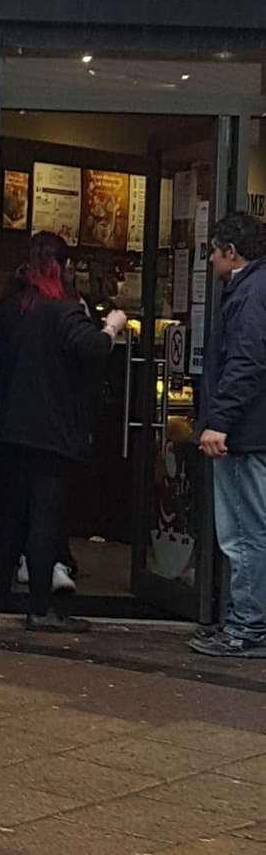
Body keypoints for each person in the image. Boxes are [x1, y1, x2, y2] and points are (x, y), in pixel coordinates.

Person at [0, 232, 125, 634]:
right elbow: (94, 350)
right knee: (45, 519)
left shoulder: (11, 307)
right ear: (61, 267)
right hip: (51, 433)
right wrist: (112, 327)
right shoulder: (63, 310)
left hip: (12, 428)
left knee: (12, 516)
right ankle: (39, 607)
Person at [195, 211, 266, 659]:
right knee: (250, 529)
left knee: (243, 532)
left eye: (213, 252)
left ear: (230, 252)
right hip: (250, 431)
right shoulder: (253, 290)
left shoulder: (249, 295)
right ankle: (248, 621)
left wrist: (218, 421)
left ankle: (247, 626)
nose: (210, 261)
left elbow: (245, 362)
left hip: (245, 434)